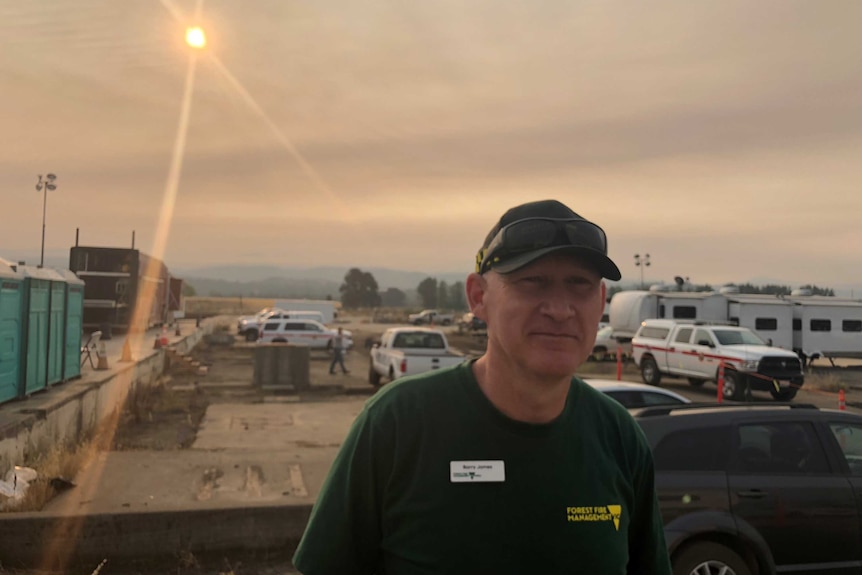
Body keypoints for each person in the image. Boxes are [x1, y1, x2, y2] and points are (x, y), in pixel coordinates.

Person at [294, 199, 672, 574]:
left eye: (580, 285)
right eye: (532, 282)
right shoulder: (398, 423)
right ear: (478, 297)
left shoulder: (620, 437)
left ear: (601, 300)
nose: (560, 309)